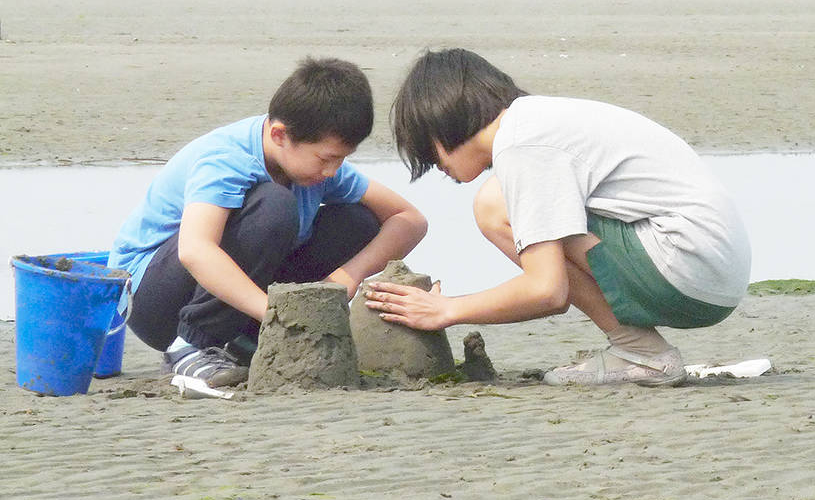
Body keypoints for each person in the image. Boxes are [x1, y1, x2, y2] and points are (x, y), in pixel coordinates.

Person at [365, 48, 751, 387]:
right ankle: (641, 351)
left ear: (441, 125)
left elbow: (547, 292)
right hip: (713, 272)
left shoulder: (523, 144)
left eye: (430, 156)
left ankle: (642, 354)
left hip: (687, 268)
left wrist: (447, 310)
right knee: (505, 200)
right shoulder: (536, 121)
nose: (439, 169)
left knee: (494, 206)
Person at [108, 57, 428, 397]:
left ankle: (245, 341)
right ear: (279, 135)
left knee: (357, 220)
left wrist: (344, 279)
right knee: (274, 206)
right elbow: (195, 250)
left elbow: (409, 220)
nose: (333, 171)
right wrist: (278, 314)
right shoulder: (226, 159)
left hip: (234, 296)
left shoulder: (317, 168)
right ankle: (190, 346)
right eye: (325, 159)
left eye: (341, 159)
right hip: (149, 297)